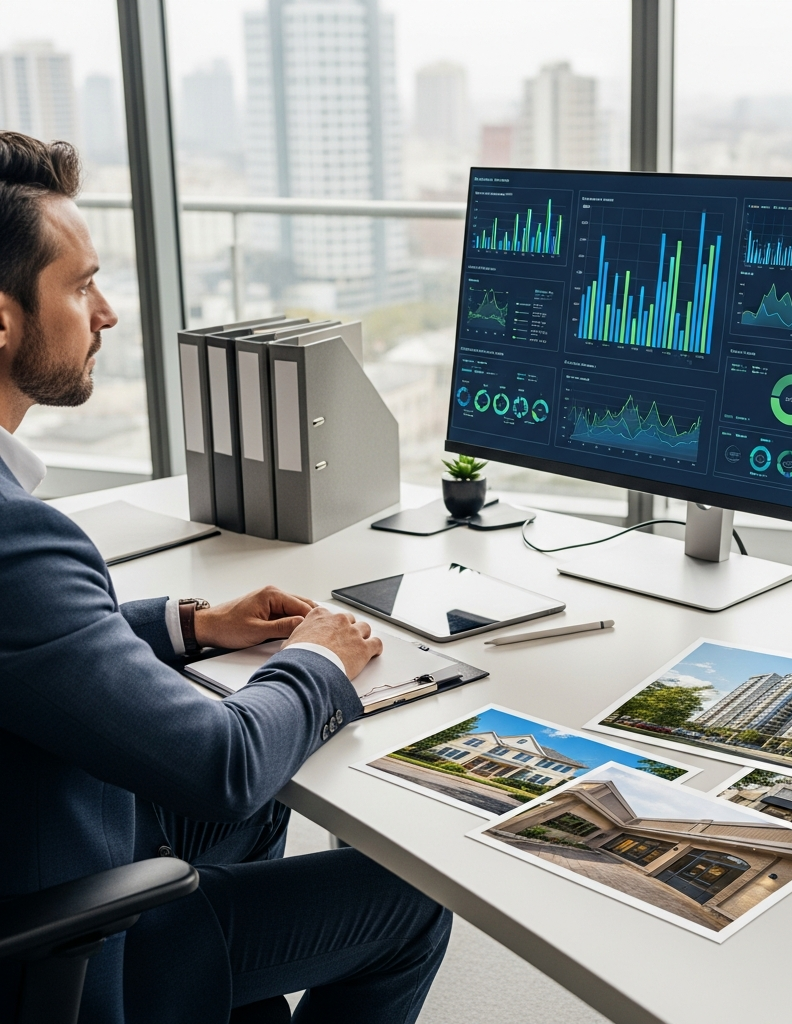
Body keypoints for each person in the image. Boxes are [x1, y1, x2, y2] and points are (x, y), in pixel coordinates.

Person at [0, 131, 451, 1024]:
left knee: (260, 821)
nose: (108, 313)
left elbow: (36, 647)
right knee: (412, 896)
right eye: (81, 284)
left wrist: (189, 626)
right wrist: (318, 660)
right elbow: (226, 765)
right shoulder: (17, 541)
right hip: (66, 948)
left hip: (36, 837)